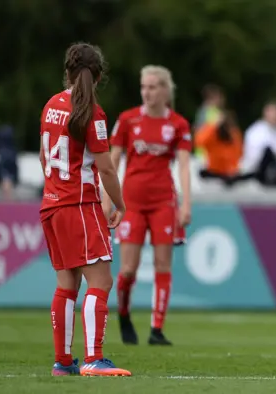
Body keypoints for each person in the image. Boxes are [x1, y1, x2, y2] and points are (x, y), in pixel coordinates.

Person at [40, 43, 130, 377]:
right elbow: (106, 169)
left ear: (67, 70)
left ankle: (63, 363)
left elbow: (42, 157)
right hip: (79, 205)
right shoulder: (92, 112)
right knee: (101, 281)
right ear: (99, 75)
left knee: (66, 284)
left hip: (51, 205)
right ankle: (93, 358)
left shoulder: (51, 105)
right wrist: (120, 204)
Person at [104, 65, 192, 346]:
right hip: (131, 202)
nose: (147, 92)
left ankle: (157, 329)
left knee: (162, 265)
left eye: (153, 86)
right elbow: (112, 160)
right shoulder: (128, 120)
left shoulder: (178, 124)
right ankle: (125, 314)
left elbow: (184, 167)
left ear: (166, 90)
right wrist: (108, 199)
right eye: (144, 86)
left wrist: (185, 203)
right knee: (128, 269)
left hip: (163, 202)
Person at [195, 110, 243, 186]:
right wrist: (213, 126)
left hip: (229, 175)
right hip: (213, 173)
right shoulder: (213, 134)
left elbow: (238, 155)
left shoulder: (234, 134)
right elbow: (199, 141)